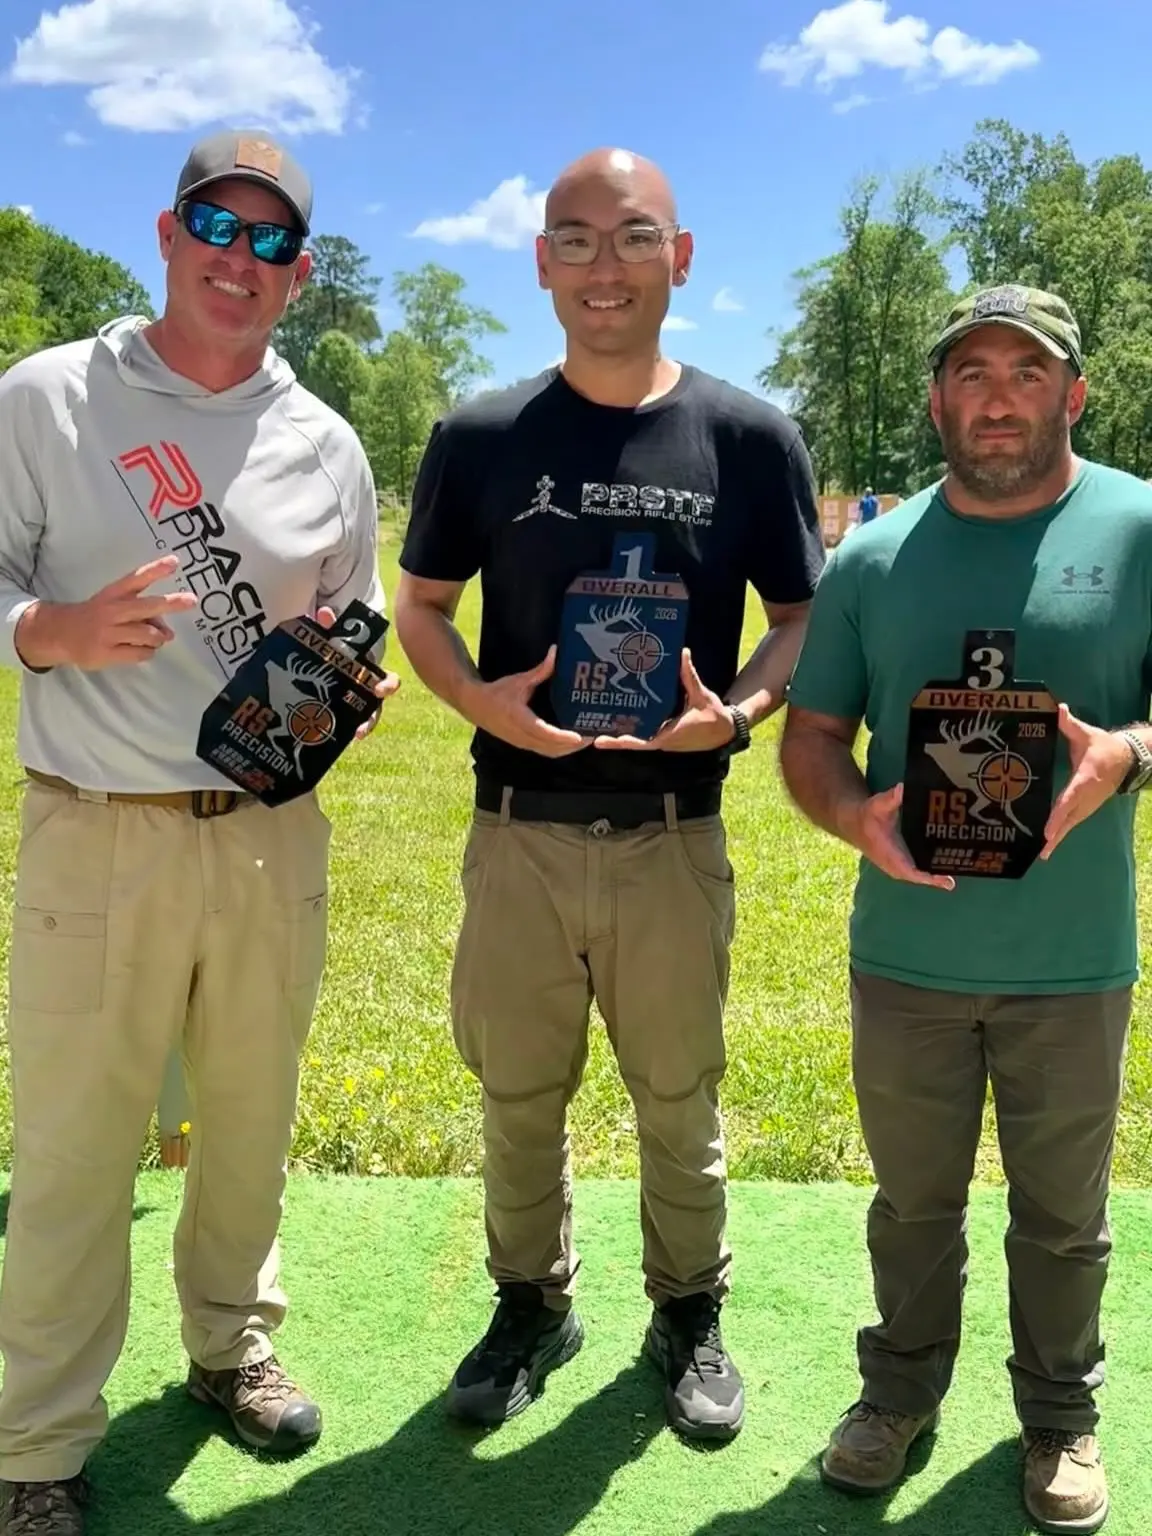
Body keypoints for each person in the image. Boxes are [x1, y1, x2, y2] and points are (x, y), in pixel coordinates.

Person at [0, 128, 396, 1535]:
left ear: (300, 273)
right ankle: (34, 1442)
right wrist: (45, 630)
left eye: (271, 240)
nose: (241, 259)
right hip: (98, 826)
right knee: (74, 1147)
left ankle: (232, 1346)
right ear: (168, 238)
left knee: (247, 1120)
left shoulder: (325, 443)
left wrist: (349, 686)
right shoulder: (50, 396)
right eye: (216, 229)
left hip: (269, 832)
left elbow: (356, 615)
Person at [394, 147, 824, 1443]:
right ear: (541, 263)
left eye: (635, 236)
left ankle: (688, 1313)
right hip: (519, 833)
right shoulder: (481, 436)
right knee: (519, 1098)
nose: (605, 266)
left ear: (680, 257)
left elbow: (800, 619)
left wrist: (735, 712)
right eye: (574, 240)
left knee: (678, 1098)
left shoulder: (750, 438)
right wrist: (481, 702)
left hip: (671, 838)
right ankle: (531, 1306)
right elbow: (422, 609)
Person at [779, 284, 1152, 1535]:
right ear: (939, 400)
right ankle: (898, 1394)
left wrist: (1127, 755)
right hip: (910, 956)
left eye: (1027, 373)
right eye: (974, 374)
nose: (1000, 398)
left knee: (1065, 1218)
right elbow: (814, 736)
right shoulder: (873, 557)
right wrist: (856, 817)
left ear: (1073, 394)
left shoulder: (1140, 527)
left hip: (1072, 959)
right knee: (912, 1205)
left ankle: (1059, 1416)